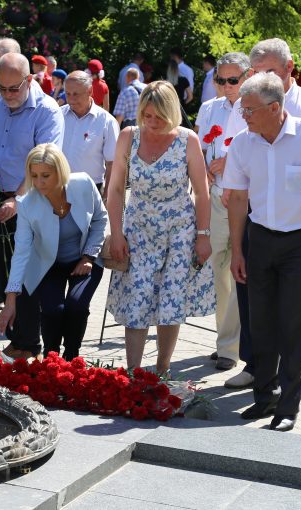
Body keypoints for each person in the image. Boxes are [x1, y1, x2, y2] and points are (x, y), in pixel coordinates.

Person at [225, 72, 301, 432]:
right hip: (260, 238)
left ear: (275, 107)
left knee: (293, 325)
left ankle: (289, 407)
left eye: (248, 110)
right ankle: (264, 398)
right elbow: (237, 198)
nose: (243, 116)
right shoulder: (244, 144)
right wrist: (237, 249)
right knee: (259, 322)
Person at [106, 81, 214, 374]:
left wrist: (203, 236)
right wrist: (117, 233)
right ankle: (133, 372)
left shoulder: (187, 140)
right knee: (137, 297)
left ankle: (163, 369)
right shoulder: (129, 136)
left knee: (171, 300)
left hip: (180, 230)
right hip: (139, 228)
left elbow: (202, 193)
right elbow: (115, 189)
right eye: (147, 115)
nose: (152, 123)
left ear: (173, 113)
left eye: (160, 117)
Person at [0, 52, 64, 355]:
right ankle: (18, 337)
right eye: (2, 88)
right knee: (3, 268)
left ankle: (28, 341)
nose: (7, 95)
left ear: (30, 80)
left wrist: (18, 198)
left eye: (14, 89)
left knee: (26, 270)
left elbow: (44, 161)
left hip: (32, 197)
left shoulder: (47, 111)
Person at [0, 144, 108, 360]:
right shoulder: (27, 204)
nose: (39, 183)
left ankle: (72, 357)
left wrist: (88, 256)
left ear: (60, 170)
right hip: (49, 265)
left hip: (85, 258)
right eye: (34, 176)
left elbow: (100, 219)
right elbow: (21, 252)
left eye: (46, 175)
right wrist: (10, 300)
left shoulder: (84, 183)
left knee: (76, 307)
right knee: (52, 310)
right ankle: (51, 358)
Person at [197, 52, 252, 375]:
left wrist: (229, 164)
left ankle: (231, 345)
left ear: (246, 77)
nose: (227, 86)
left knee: (239, 270)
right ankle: (227, 342)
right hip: (216, 198)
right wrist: (204, 173)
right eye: (221, 80)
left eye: (233, 80)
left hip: (246, 201)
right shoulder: (209, 108)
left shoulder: (253, 107)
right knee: (220, 271)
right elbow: (202, 152)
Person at [61, 71, 119, 198]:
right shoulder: (58, 116)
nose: (71, 99)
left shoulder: (106, 121)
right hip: (58, 187)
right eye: (68, 94)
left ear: (90, 91)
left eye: (76, 94)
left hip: (90, 190)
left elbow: (112, 163)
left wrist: (107, 195)